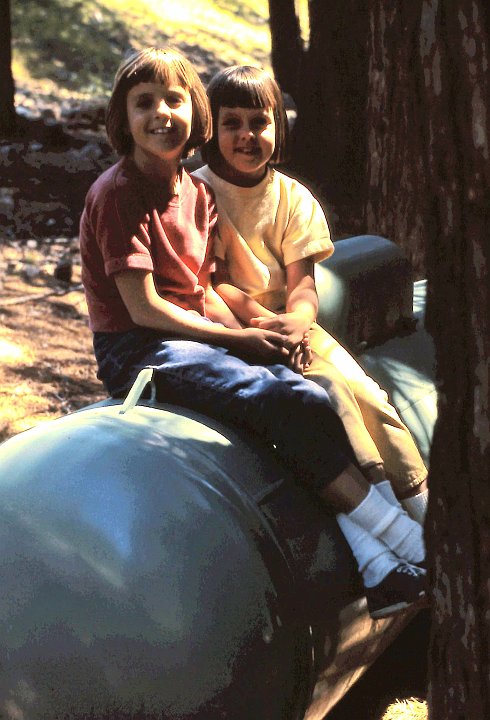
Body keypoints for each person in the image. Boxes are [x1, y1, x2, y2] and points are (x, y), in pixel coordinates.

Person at [79, 47, 426, 620]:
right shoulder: (118, 193)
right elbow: (144, 310)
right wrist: (238, 342)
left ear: (196, 115)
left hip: (193, 336)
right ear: (122, 117)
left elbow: (203, 290)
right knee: (272, 398)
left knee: (310, 393)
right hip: (139, 350)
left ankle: (376, 564)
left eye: (175, 100)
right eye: (144, 103)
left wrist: (255, 330)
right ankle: (402, 541)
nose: (161, 113)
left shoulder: (194, 194)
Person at [192, 65, 430, 534]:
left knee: (369, 395)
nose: (246, 135)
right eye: (232, 123)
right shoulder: (198, 193)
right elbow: (210, 282)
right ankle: (383, 513)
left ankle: (423, 509)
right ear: (211, 128)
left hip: (293, 324)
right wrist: (266, 326)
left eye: (259, 122)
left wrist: (299, 320)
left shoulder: (291, 197)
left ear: (278, 126)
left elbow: (303, 282)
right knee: (331, 395)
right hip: (234, 327)